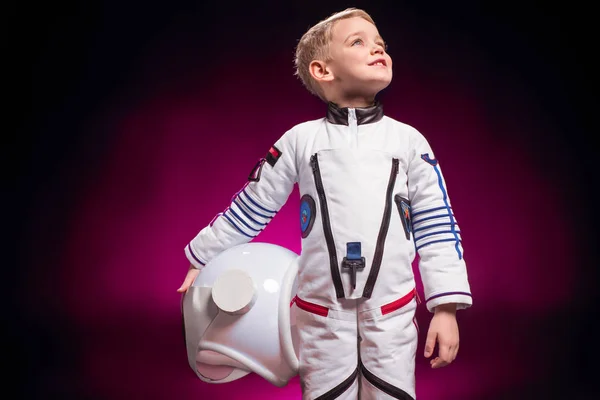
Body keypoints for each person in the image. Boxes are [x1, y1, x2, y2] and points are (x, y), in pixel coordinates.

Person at [178, 7, 472, 400]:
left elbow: (437, 223)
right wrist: (204, 258)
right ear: (322, 70)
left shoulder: (409, 142)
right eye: (358, 43)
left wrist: (446, 307)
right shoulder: (299, 141)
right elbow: (252, 206)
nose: (378, 50)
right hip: (319, 314)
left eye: (381, 44)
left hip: (392, 311)